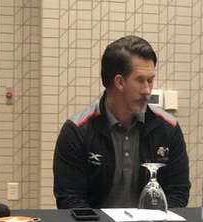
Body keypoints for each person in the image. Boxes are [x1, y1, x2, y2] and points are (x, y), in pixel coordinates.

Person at [53, 35, 189, 208]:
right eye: (140, 80)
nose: (147, 90)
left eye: (150, 80)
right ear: (119, 82)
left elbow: (179, 192)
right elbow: (69, 200)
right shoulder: (77, 131)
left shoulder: (168, 128)